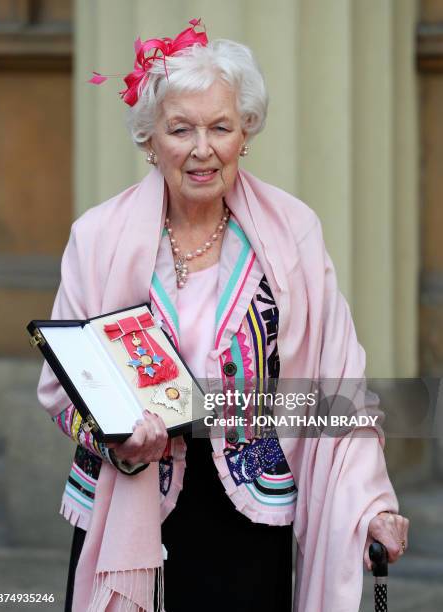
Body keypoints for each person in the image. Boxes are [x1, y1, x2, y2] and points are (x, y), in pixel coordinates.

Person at [37, 19, 409, 612]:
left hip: (250, 517)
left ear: (246, 135)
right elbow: (62, 391)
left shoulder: (293, 233)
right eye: (180, 129)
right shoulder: (97, 238)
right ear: (150, 140)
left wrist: (371, 504)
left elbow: (338, 384)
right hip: (125, 504)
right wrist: (116, 438)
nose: (202, 148)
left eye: (221, 127)